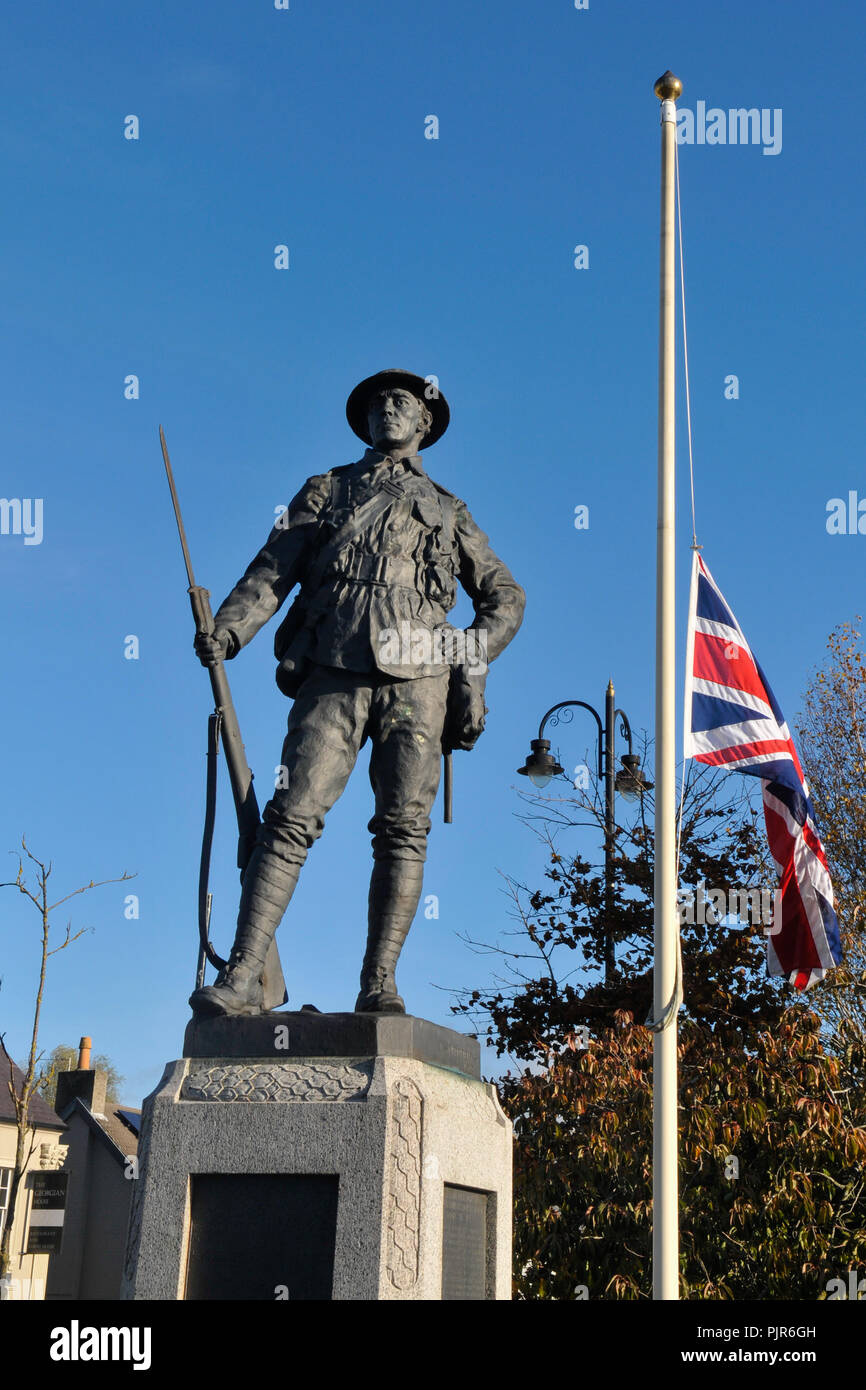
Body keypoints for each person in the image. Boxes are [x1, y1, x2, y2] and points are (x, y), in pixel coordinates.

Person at [189, 369, 525, 1017]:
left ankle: (379, 985)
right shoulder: (327, 488)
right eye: (379, 403)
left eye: (403, 401)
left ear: (425, 424)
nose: (390, 408)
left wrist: (467, 652)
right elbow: (272, 569)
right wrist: (229, 631)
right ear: (365, 423)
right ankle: (241, 976)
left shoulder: (450, 510)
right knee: (289, 816)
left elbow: (505, 597)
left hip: (420, 679)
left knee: (403, 830)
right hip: (334, 666)